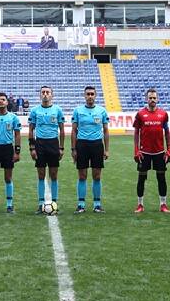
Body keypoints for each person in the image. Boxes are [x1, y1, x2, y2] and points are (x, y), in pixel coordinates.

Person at [71, 85, 111, 213]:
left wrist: (106, 149)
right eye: (87, 94)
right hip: (82, 145)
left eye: (92, 94)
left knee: (97, 176)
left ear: (95, 95)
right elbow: (73, 130)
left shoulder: (101, 111)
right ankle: (81, 204)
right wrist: (73, 149)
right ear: (84, 96)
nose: (90, 96)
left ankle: (97, 204)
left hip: (97, 145)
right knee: (82, 176)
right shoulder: (78, 110)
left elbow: (105, 131)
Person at [133, 88, 170, 213]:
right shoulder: (140, 114)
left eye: (154, 97)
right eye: (150, 98)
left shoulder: (163, 114)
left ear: (157, 99)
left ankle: (163, 204)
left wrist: (169, 149)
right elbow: (136, 133)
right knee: (141, 178)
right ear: (146, 99)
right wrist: (136, 150)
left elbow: (167, 132)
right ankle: (140, 204)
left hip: (159, 152)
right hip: (144, 153)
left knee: (161, 178)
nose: (152, 100)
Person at [28, 85, 66, 214]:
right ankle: (40, 204)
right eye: (43, 92)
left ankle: (54, 202)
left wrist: (61, 147)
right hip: (40, 144)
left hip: (53, 144)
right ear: (40, 95)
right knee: (41, 175)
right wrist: (32, 147)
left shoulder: (58, 110)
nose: (45, 94)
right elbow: (31, 130)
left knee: (54, 175)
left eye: (47, 92)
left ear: (52, 95)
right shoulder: (34, 111)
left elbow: (62, 130)